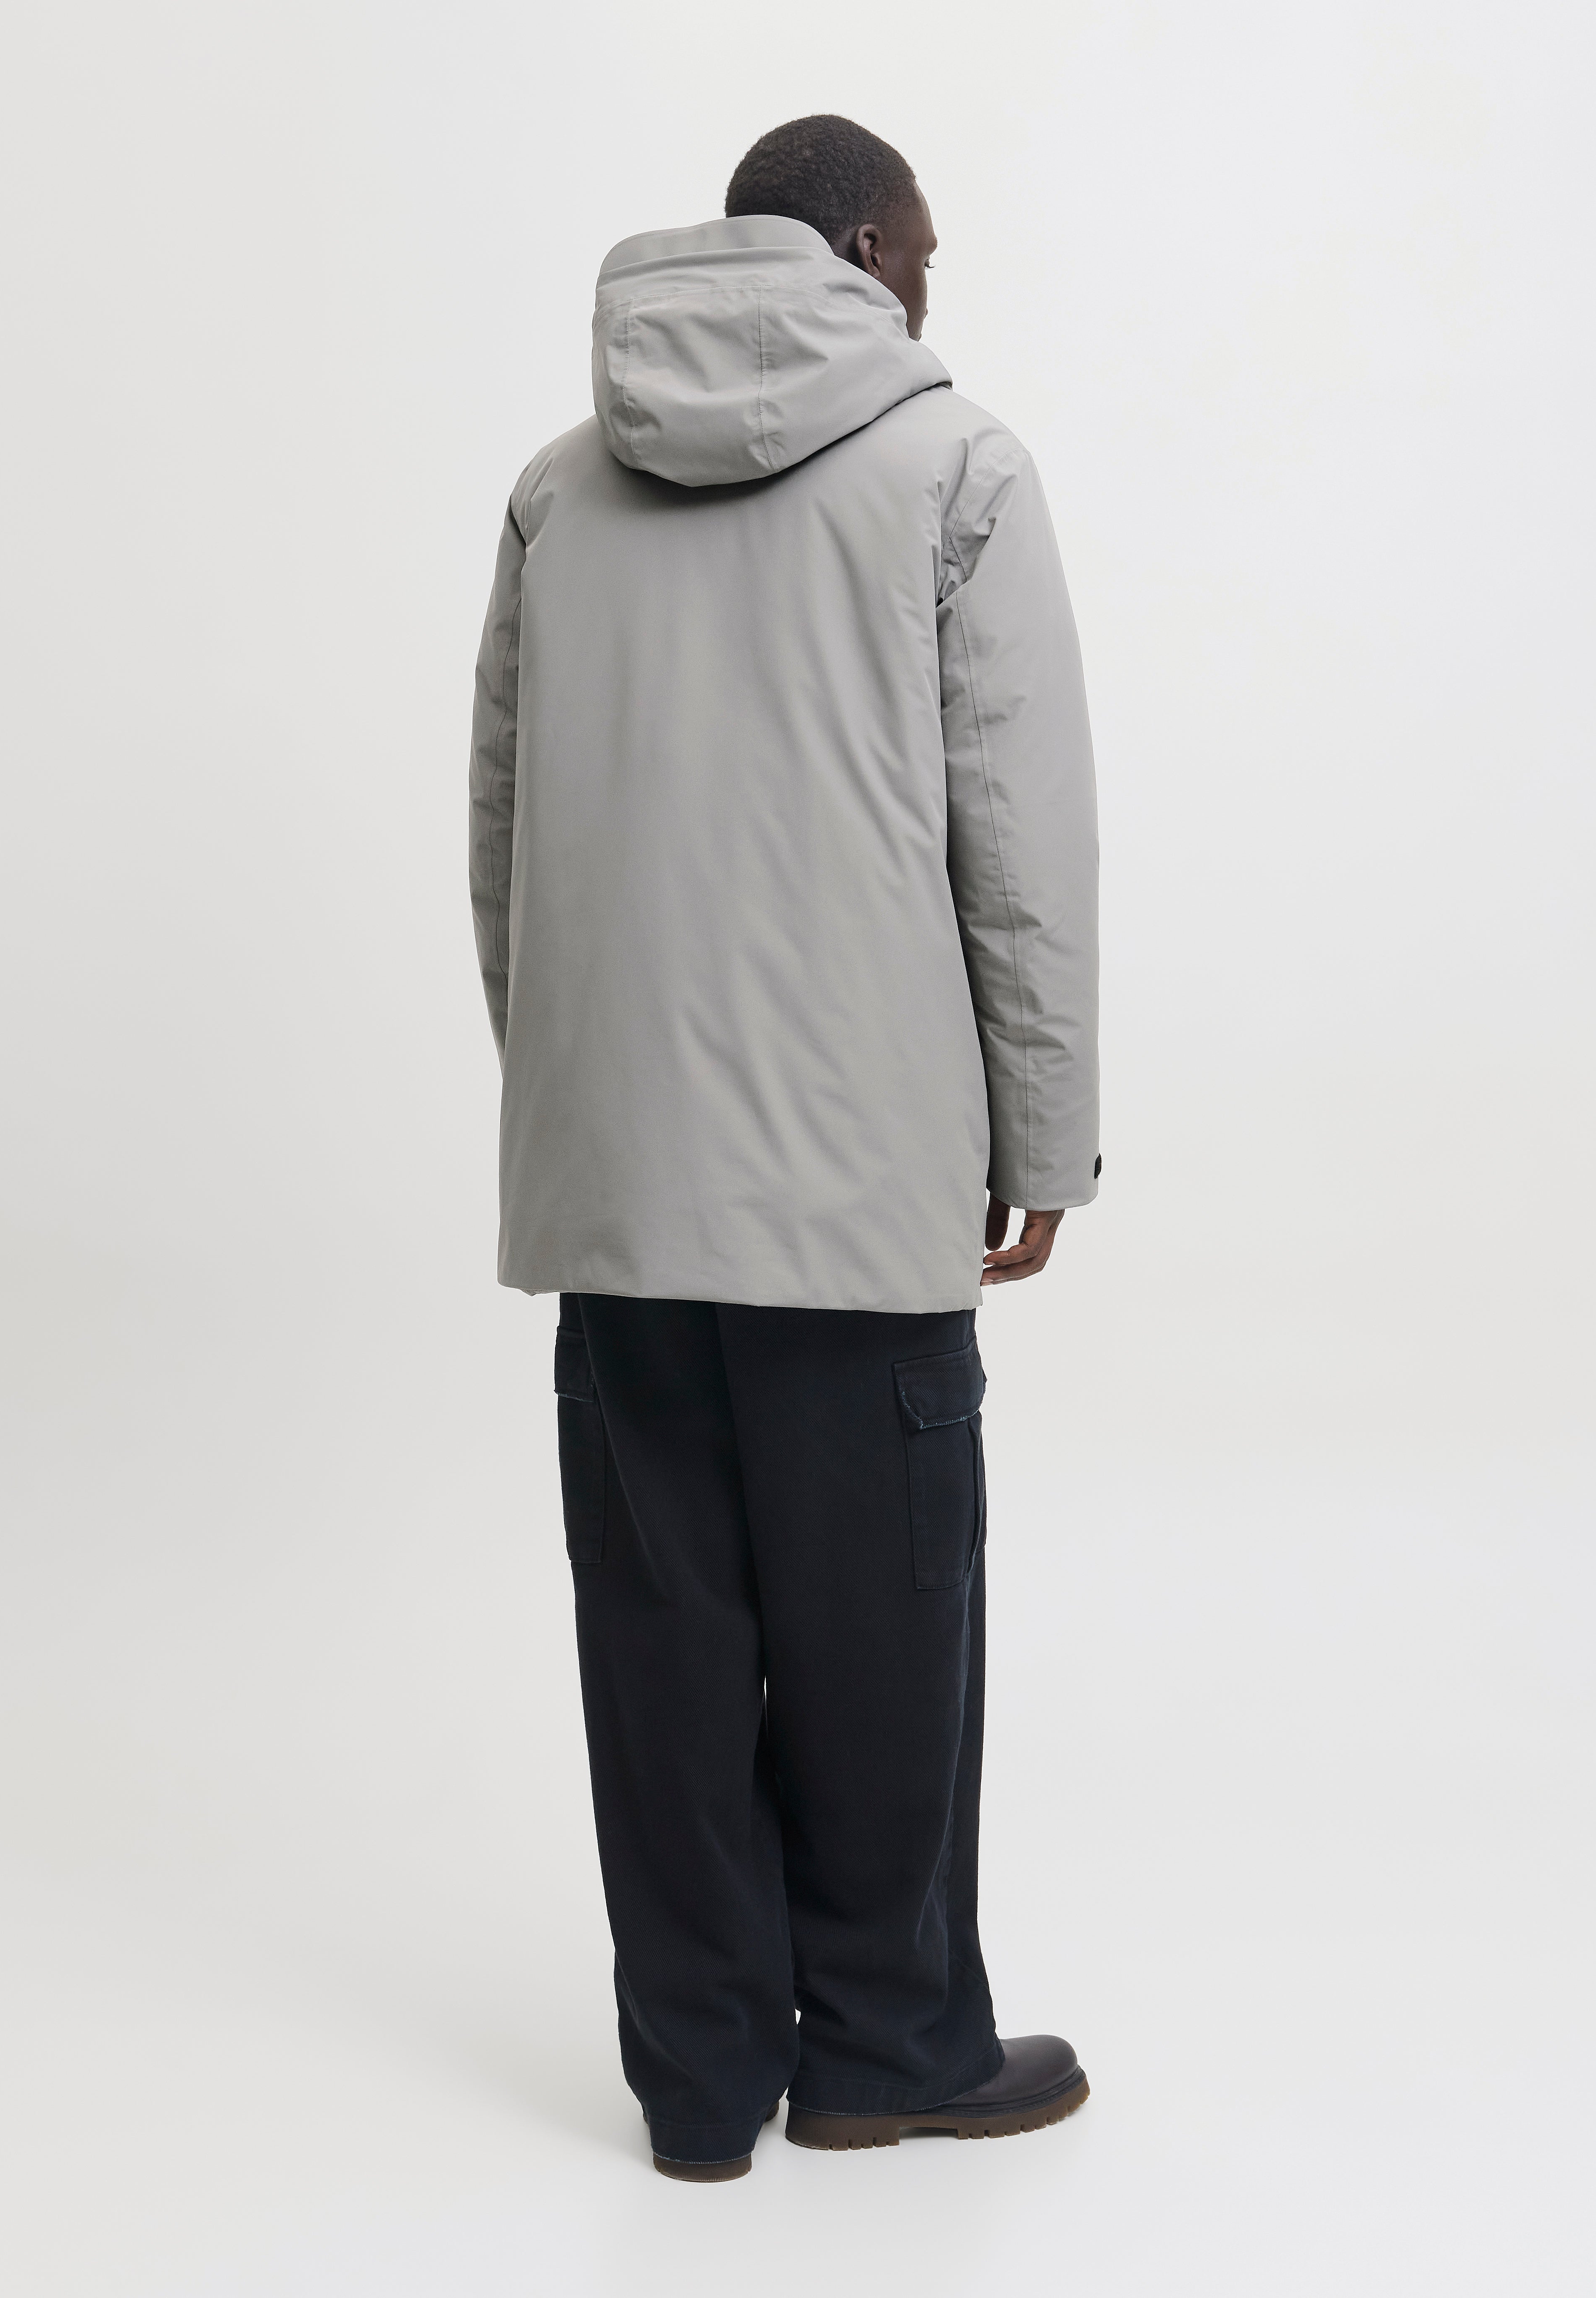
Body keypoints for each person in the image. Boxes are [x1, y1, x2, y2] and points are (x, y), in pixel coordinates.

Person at [468, 113, 1100, 2182]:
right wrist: (1043, 1130)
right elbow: (1017, 843)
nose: (924, 287)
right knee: (881, 1637)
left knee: (659, 1647)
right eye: (919, 250)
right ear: (857, 247)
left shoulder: (558, 489)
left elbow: (505, 842)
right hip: (856, 1186)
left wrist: (584, 1108)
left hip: (618, 1194)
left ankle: (696, 2088)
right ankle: (887, 2048)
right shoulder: (954, 468)